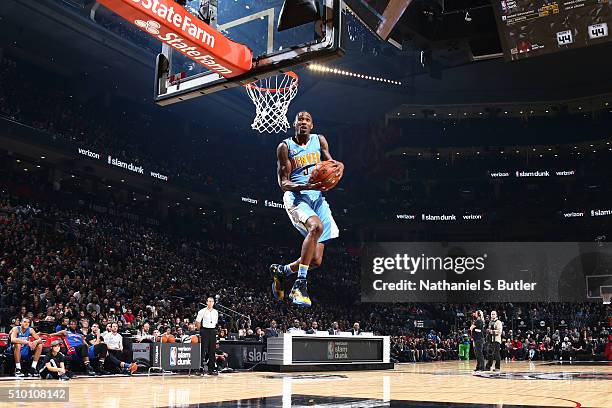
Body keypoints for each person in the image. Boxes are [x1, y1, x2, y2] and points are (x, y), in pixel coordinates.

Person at [270, 111, 342, 307]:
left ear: (312, 125)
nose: (303, 122)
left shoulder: (320, 140)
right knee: (315, 227)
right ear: (294, 124)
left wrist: (339, 167)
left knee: (316, 261)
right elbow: (284, 183)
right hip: (296, 197)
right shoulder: (285, 147)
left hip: (317, 198)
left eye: (307, 120)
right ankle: (300, 285)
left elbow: (331, 164)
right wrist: (306, 186)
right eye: (300, 119)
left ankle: (282, 271)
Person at [195, 297, 219, 375]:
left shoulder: (216, 312)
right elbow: (197, 322)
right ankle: (200, 368)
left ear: (213, 303)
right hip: (204, 330)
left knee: (212, 350)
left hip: (213, 331)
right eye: (209, 301)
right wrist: (200, 330)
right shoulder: (202, 311)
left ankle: (211, 369)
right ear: (206, 302)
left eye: (212, 301)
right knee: (203, 350)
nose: (210, 303)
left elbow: (215, 322)